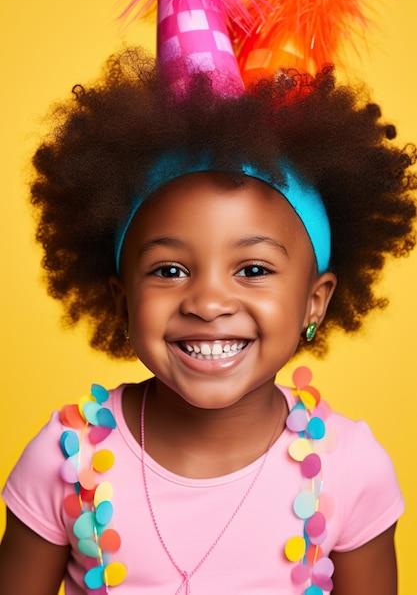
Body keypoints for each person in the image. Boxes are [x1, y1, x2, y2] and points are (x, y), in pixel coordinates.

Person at [0, 45, 415, 595]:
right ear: (123, 302)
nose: (208, 301)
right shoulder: (66, 458)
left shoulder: (350, 467)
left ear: (315, 302)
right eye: (169, 269)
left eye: (252, 268)